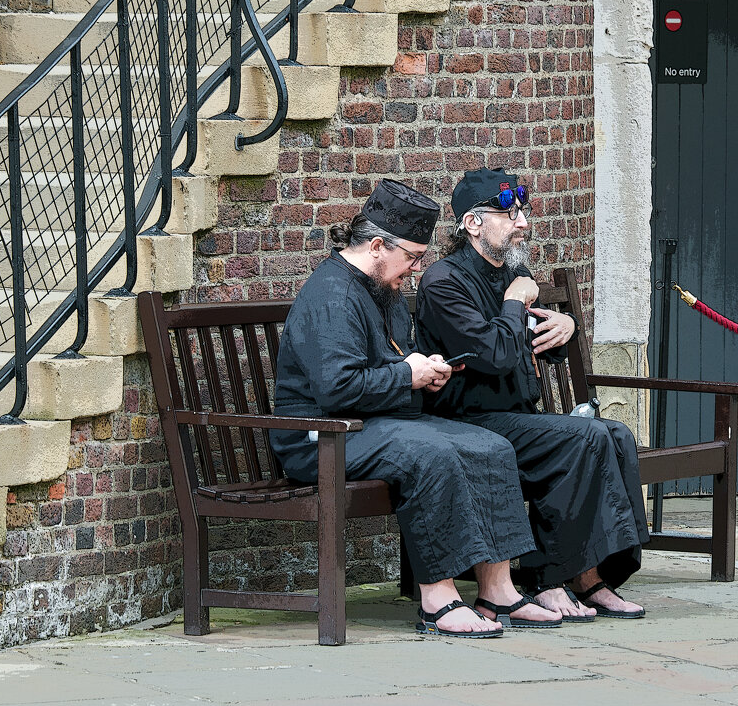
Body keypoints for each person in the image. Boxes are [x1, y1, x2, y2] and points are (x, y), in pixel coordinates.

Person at [269, 178, 562, 637]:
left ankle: (498, 589)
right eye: (411, 257)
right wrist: (409, 374)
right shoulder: (334, 294)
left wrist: (425, 369)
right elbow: (337, 389)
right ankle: (438, 598)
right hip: (321, 436)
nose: (416, 267)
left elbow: (387, 362)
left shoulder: (379, 288)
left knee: (490, 445)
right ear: (378, 245)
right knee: (431, 452)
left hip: (373, 425)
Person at [415, 167, 651, 621]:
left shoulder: (513, 275)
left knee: (614, 434)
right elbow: (495, 354)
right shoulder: (444, 283)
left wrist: (565, 328)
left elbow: (531, 340)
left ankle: (591, 576)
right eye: (509, 214)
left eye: (523, 211)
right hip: (467, 425)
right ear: (472, 224)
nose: (522, 222)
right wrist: (515, 299)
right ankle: (548, 580)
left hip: (516, 419)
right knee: (583, 439)